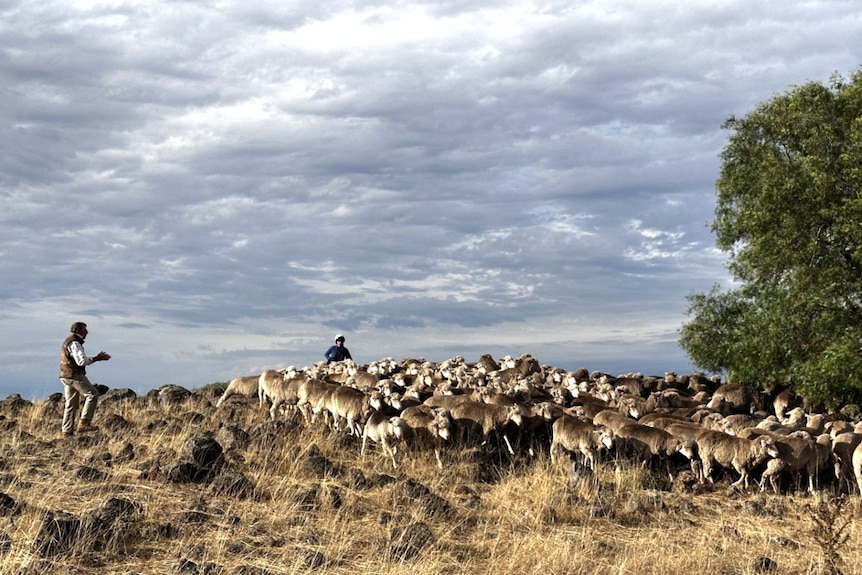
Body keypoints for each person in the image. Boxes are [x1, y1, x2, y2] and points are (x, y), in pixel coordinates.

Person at [59, 321, 111, 436]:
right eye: (84, 330)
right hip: (74, 375)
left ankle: (66, 432)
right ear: (78, 330)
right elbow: (81, 361)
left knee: (70, 404)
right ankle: (84, 423)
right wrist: (97, 358)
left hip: (65, 375)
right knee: (92, 394)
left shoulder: (68, 341)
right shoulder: (74, 343)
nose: (87, 332)